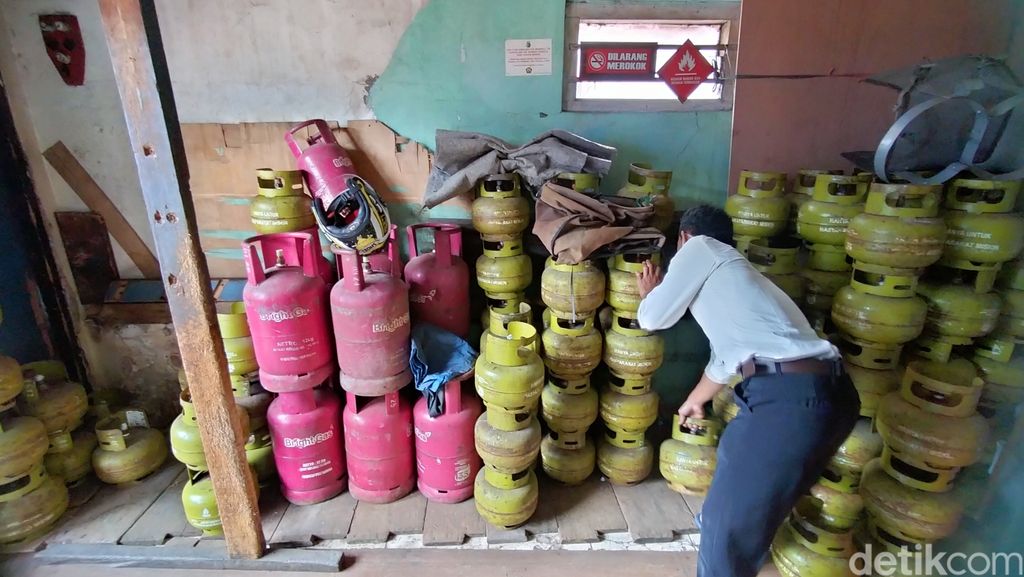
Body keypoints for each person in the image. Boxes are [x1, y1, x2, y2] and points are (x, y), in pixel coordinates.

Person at [635, 204, 859, 577]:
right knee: (741, 506)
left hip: (790, 400)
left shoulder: (700, 248)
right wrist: (695, 400)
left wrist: (650, 293)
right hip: (832, 397)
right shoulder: (737, 276)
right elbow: (727, 360)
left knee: (725, 537)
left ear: (684, 237)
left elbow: (652, 318)